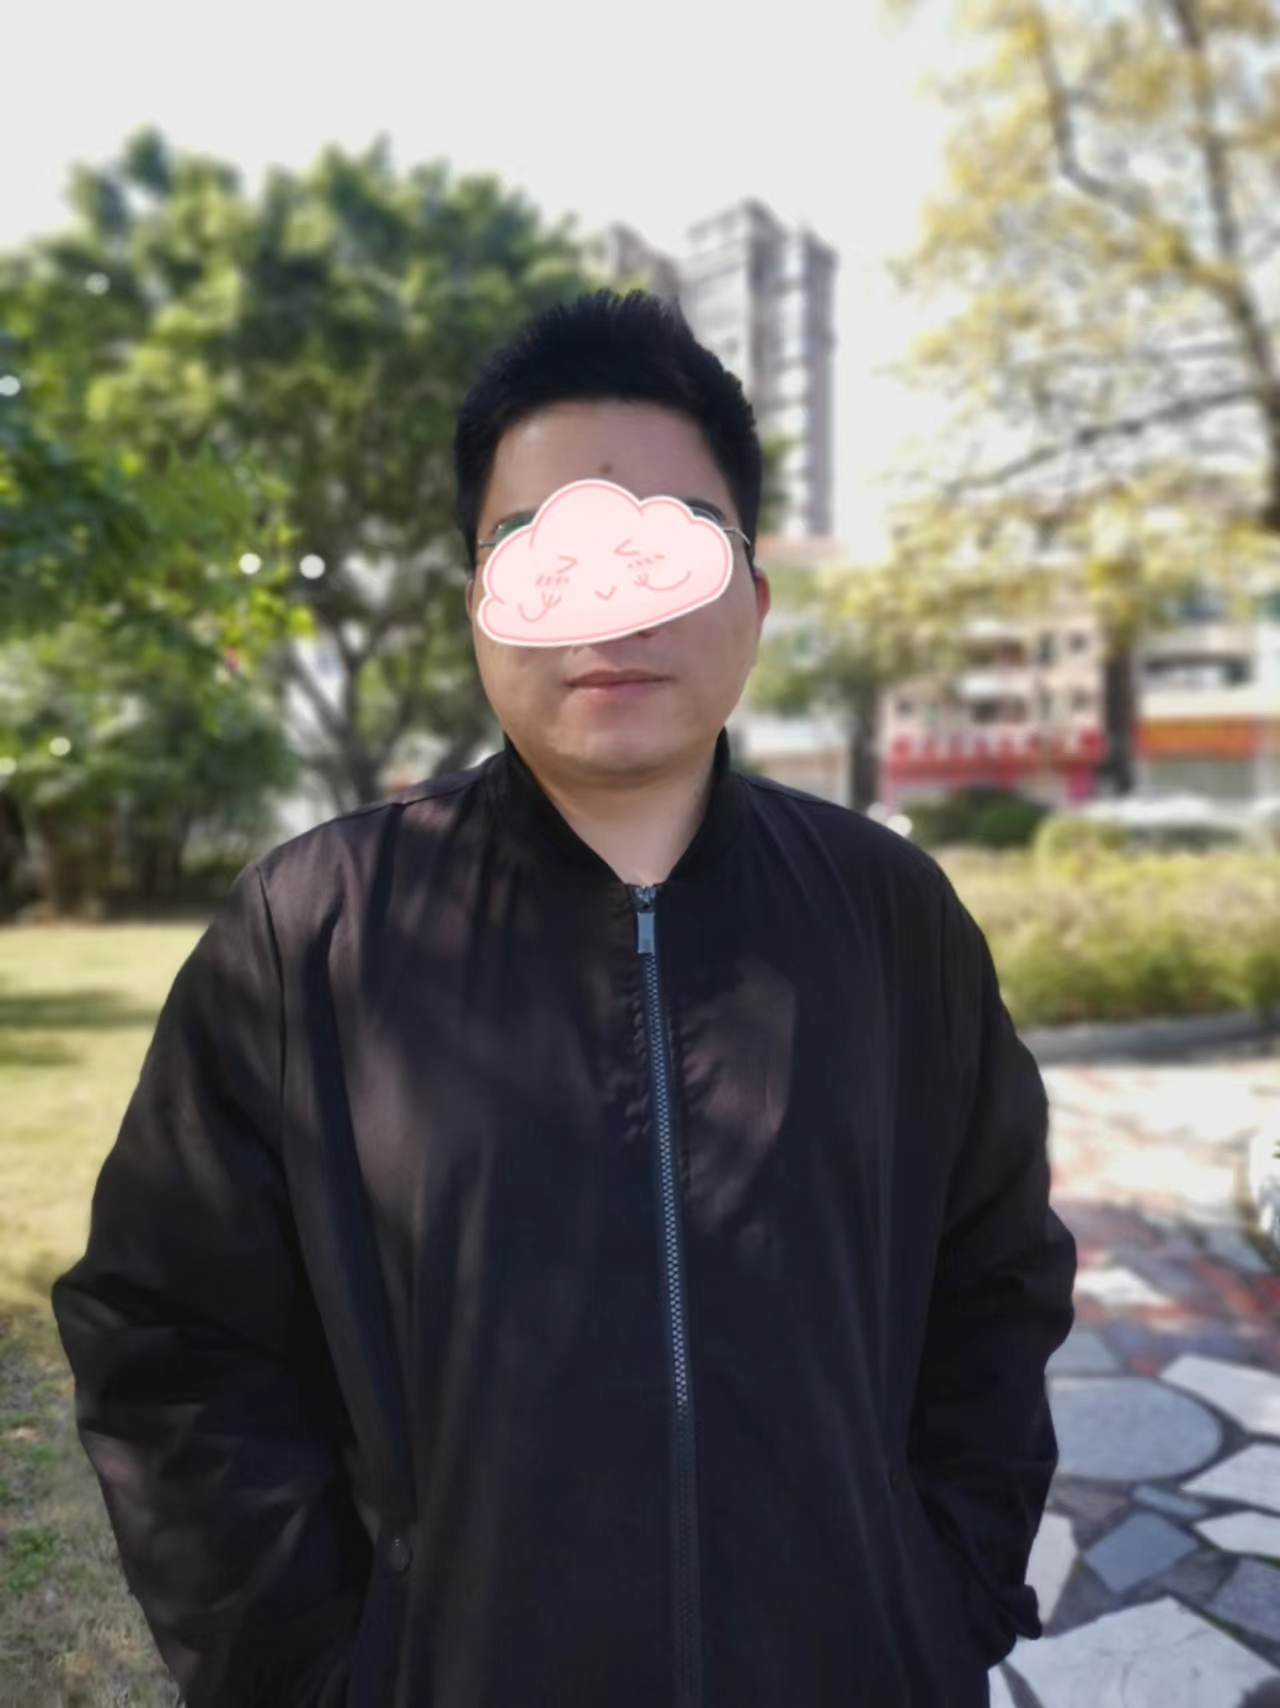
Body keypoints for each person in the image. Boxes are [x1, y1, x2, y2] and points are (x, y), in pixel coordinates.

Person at [52, 289, 1077, 1708]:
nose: (616, 600)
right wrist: (314, 1672)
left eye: (670, 541)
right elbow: (171, 1335)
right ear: (478, 604)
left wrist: (939, 1590)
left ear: (754, 597)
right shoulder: (313, 933)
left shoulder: (891, 918)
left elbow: (998, 1277)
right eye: (546, 548)